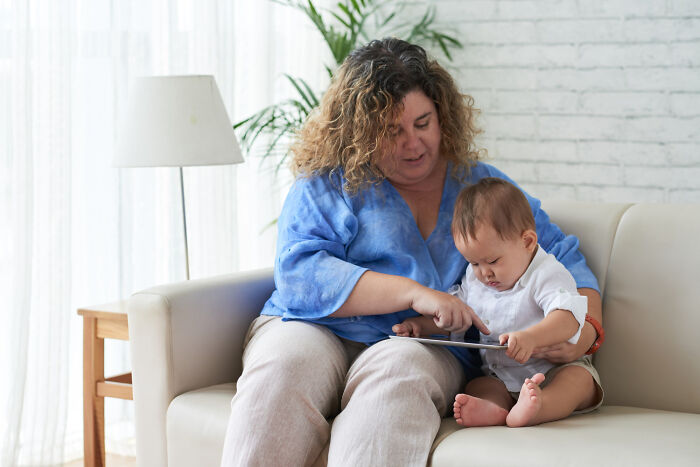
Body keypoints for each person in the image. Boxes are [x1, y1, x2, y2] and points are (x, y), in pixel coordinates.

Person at [220, 38, 604, 466]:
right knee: (284, 367)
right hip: (309, 325)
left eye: (423, 123)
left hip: (424, 346)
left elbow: (564, 258)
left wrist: (583, 334)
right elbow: (298, 273)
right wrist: (413, 293)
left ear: (443, 117)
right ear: (359, 133)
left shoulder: (479, 188)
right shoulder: (326, 183)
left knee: (397, 373)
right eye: (390, 131)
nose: (412, 144)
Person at [393, 178, 603, 428]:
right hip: (500, 376)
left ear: (527, 242)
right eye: (474, 263)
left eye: (492, 261)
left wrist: (532, 338)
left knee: (578, 381)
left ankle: (540, 407)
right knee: (479, 386)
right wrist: (423, 326)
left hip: (553, 370)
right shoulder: (477, 278)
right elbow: (463, 315)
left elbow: (568, 317)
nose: (484, 273)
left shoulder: (546, 273)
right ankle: (494, 409)